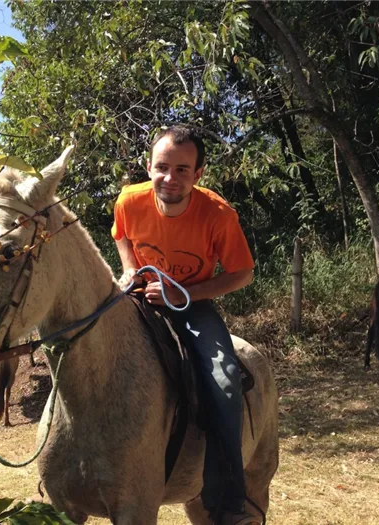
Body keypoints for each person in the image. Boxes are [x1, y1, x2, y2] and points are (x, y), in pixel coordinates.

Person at [111, 125, 258, 525]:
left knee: (226, 381)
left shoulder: (219, 214)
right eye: (162, 167)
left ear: (198, 174)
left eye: (181, 169)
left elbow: (242, 272)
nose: (169, 178)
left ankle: (228, 502)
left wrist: (183, 296)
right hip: (138, 295)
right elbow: (121, 234)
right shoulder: (129, 199)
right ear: (148, 167)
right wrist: (128, 270)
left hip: (192, 305)